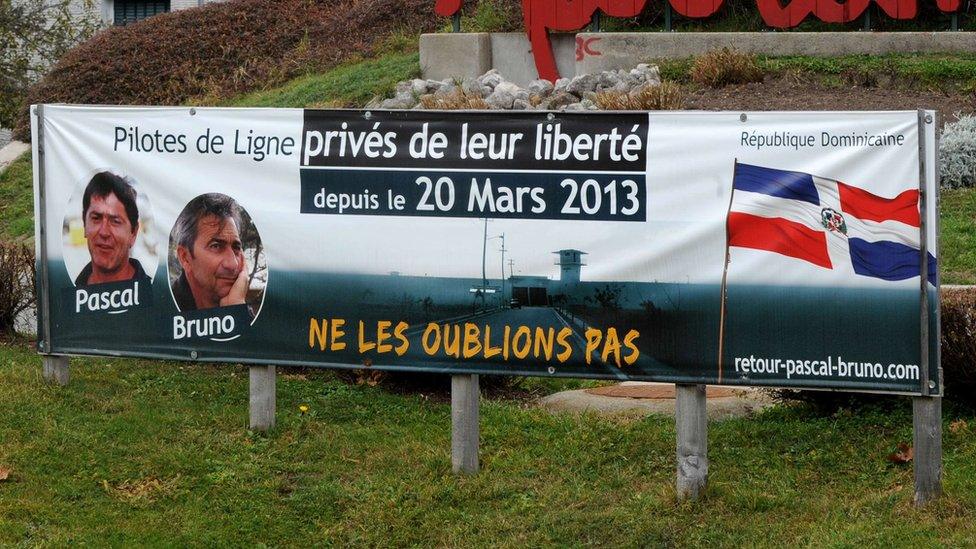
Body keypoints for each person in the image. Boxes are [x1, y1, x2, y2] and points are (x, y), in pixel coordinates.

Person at [170, 193, 250, 311]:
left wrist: (236, 309)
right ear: (185, 257)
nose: (233, 264)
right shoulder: (162, 312)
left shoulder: (237, 301)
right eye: (216, 246)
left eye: (236, 247)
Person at [75, 172, 150, 286]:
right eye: (96, 218)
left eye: (115, 221)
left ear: (133, 233)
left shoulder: (154, 296)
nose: (104, 232)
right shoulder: (71, 295)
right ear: (85, 224)